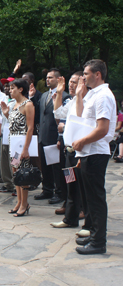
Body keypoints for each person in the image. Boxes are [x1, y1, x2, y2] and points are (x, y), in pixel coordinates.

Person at [72, 59, 116, 255]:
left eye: (86, 73)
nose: (83, 77)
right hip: (88, 152)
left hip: (96, 151)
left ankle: (99, 242)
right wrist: (80, 95)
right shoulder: (92, 95)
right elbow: (82, 117)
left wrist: (82, 142)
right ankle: (94, 233)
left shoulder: (104, 96)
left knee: (96, 198)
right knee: (90, 198)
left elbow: (103, 129)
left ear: (97, 74)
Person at [50, 71, 86, 229]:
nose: (71, 85)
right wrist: (59, 92)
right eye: (70, 82)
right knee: (70, 184)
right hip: (69, 152)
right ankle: (70, 218)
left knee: (82, 187)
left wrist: (65, 127)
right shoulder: (71, 102)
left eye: (75, 82)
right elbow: (57, 115)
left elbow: (82, 125)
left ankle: (84, 213)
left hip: (81, 153)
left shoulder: (86, 102)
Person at [34, 69, 70, 204]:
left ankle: (59, 192)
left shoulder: (65, 97)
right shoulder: (43, 96)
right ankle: (47, 189)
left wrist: (60, 137)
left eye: (50, 77)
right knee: (45, 165)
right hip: (43, 136)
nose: (47, 80)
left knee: (57, 167)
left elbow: (62, 119)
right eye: (46, 78)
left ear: (59, 79)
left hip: (55, 137)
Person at [1, 78, 35, 217]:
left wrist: (26, 148)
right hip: (13, 143)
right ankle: (19, 202)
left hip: (22, 144)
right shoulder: (14, 104)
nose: (10, 90)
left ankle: (24, 203)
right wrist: (6, 114)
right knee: (16, 173)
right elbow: (14, 123)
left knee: (23, 174)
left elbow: (30, 127)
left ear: (21, 89)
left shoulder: (28, 104)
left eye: (13, 87)